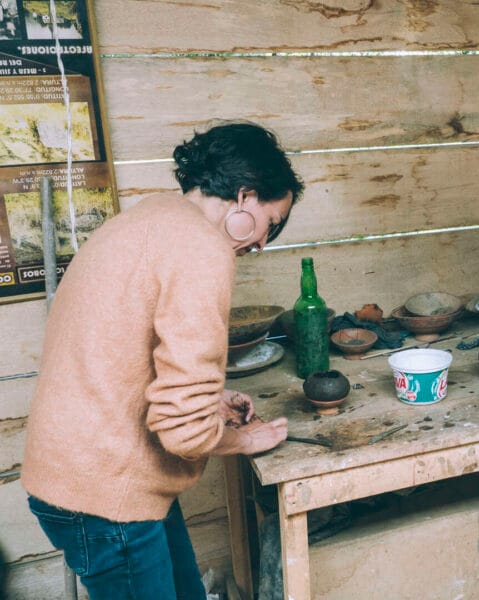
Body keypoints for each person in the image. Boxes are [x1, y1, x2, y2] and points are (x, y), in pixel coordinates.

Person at [22, 122, 303, 599]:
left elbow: (120, 357)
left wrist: (210, 402)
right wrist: (241, 439)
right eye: (269, 224)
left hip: (87, 474)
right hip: (104, 493)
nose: (261, 243)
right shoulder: (201, 248)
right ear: (244, 196)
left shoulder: (153, 218)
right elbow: (182, 432)